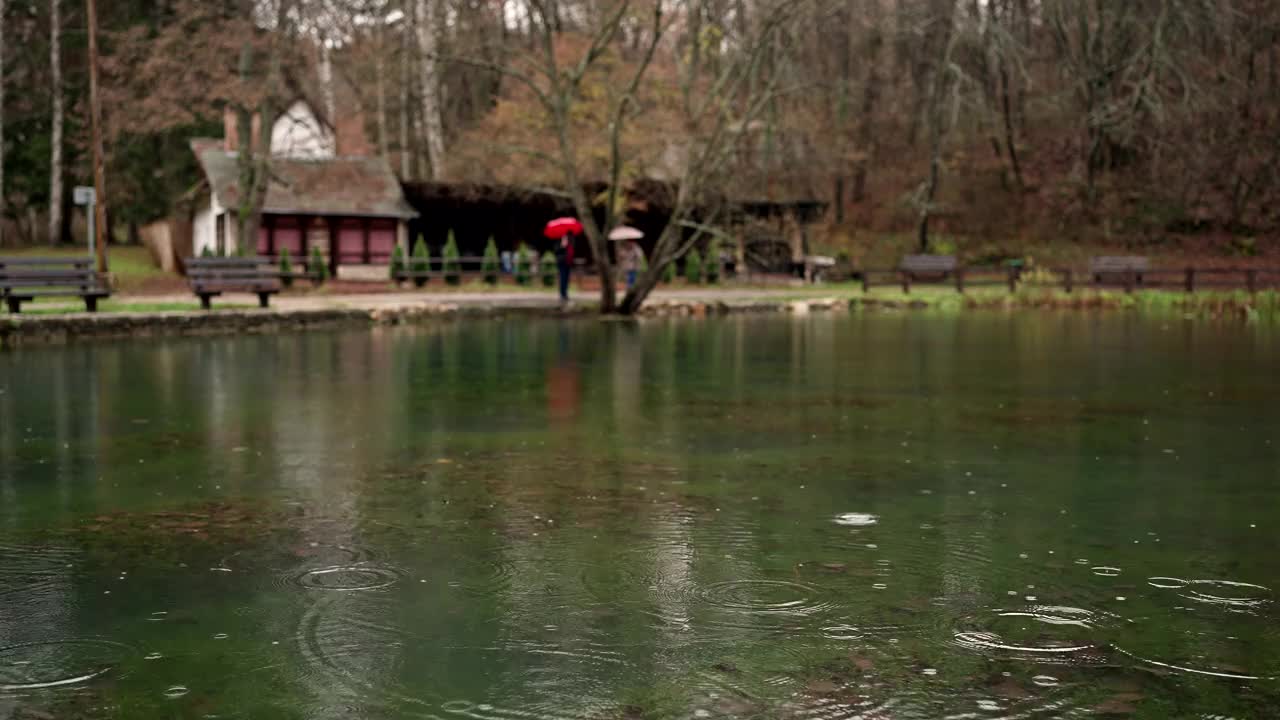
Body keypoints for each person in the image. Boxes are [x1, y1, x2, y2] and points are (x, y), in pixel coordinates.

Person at [554, 233, 575, 303]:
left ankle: (565, 293)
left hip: (568, 263)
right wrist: (562, 246)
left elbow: (571, 251)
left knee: (566, 278)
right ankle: (562, 294)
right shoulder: (558, 241)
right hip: (561, 263)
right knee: (562, 278)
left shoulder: (570, 241)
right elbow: (556, 251)